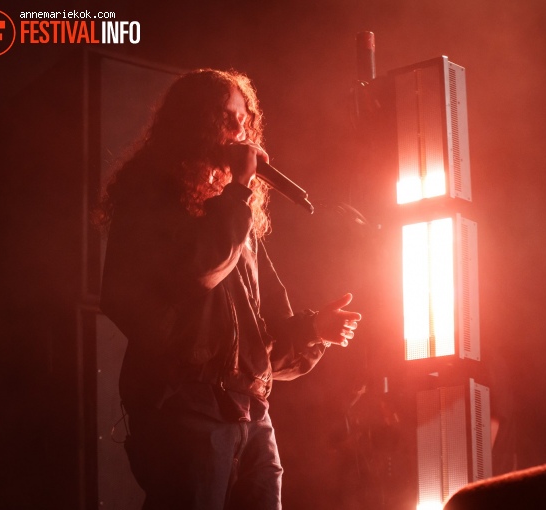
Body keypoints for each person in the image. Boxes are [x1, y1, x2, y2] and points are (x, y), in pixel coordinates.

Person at [95, 68, 362, 510]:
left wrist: (316, 328)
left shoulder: (238, 223)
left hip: (251, 414)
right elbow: (196, 271)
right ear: (192, 123)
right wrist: (238, 192)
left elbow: (264, 340)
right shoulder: (152, 194)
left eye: (243, 116)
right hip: (186, 408)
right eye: (225, 116)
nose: (240, 128)